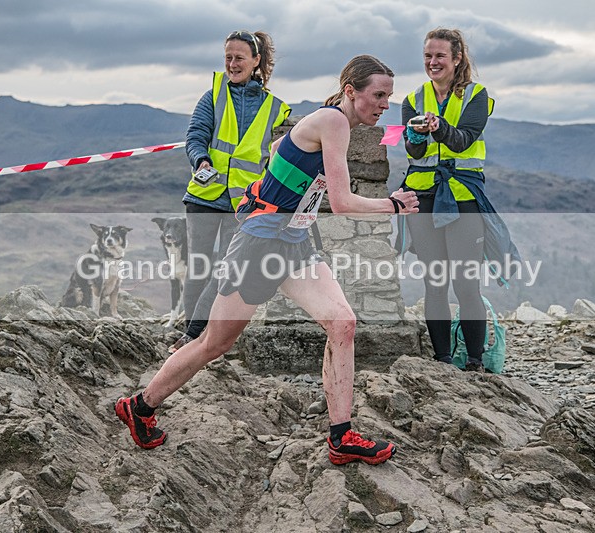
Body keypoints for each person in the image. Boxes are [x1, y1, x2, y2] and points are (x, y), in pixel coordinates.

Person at [116, 55, 419, 465]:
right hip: (259, 245)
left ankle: (342, 436)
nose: (385, 104)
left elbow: (281, 146)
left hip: (294, 243)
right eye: (379, 95)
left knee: (342, 322)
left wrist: (288, 178)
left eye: (389, 96)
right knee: (214, 343)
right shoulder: (333, 122)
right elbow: (343, 202)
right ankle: (140, 406)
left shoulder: (328, 123)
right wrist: (393, 205)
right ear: (351, 91)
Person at [399, 27, 518, 371]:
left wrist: (438, 128)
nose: (432, 62)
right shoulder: (413, 100)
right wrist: (414, 134)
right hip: (423, 196)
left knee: (466, 282)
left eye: (439, 56)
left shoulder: (476, 95)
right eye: (427, 56)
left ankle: (476, 362)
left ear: (457, 58)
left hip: (462, 196)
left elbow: (464, 140)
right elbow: (413, 151)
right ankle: (442, 360)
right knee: (434, 282)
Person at [173, 30, 291, 353]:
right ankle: (191, 332)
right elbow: (196, 136)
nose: (232, 64)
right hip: (204, 196)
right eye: (228, 57)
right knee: (199, 266)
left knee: (227, 270)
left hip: (244, 204)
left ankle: (198, 335)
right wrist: (200, 160)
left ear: (256, 61)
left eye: (239, 58)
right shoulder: (213, 94)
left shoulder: (277, 109)